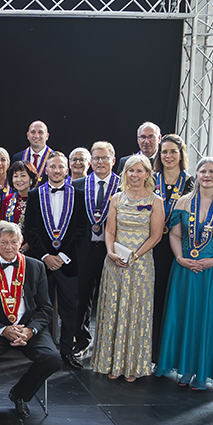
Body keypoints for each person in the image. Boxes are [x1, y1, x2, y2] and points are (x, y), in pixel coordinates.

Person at [156, 156, 213, 390]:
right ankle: (185, 369)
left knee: (209, 320)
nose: (207, 175)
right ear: (197, 175)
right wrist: (180, 258)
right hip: (184, 271)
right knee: (184, 318)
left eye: (212, 171)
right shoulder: (183, 202)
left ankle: (203, 373)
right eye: (203, 171)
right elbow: (174, 234)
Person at [0, 221, 62, 420]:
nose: (8, 247)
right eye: (3, 242)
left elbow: (45, 308)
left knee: (52, 358)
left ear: (21, 243)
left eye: (13, 241)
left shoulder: (36, 267)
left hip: (28, 327)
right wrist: (3, 329)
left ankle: (20, 394)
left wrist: (30, 331)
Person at [91, 154, 165, 381]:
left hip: (141, 265)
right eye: (131, 171)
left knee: (136, 311)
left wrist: (136, 254)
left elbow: (156, 236)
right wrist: (111, 252)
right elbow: (110, 231)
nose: (134, 175)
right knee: (113, 309)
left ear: (147, 174)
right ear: (125, 174)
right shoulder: (116, 199)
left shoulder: (156, 201)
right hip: (115, 263)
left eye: (139, 171)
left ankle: (132, 364)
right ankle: (111, 362)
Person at [24, 152, 88, 369]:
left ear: (67, 170)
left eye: (61, 167)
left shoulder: (78, 195)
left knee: (71, 308)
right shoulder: (35, 195)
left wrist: (61, 257)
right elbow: (30, 230)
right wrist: (45, 256)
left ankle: (67, 352)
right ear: (47, 170)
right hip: (42, 264)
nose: (57, 170)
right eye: (53, 167)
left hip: (68, 263)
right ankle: (45, 353)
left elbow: (81, 230)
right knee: (42, 308)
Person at [151, 134, 195, 359]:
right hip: (152, 247)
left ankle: (173, 354)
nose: (168, 156)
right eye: (164, 152)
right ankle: (153, 352)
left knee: (175, 300)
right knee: (154, 299)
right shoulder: (150, 178)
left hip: (179, 247)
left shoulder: (191, 182)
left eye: (173, 152)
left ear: (181, 155)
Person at [75, 141, 120, 356]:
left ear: (113, 160)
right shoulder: (78, 185)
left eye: (104, 158)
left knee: (110, 297)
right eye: (96, 158)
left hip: (112, 249)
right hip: (84, 248)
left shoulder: (123, 186)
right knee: (82, 295)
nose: (100, 162)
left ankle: (106, 343)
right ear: (90, 161)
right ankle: (82, 340)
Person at [0, 161, 34, 249]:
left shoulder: (37, 199)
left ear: (31, 179)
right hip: (8, 249)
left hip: (31, 250)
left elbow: (40, 230)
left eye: (23, 175)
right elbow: (1, 225)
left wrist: (23, 249)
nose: (19, 179)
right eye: (15, 176)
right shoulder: (8, 199)